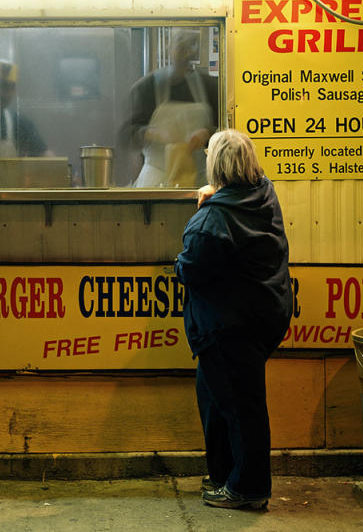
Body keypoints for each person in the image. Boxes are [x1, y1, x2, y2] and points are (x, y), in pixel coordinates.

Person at [174, 129, 293, 510]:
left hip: (230, 326)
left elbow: (189, 269)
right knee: (215, 396)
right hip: (266, 312)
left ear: (215, 166)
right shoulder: (263, 191)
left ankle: (249, 488)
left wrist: (206, 206)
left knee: (242, 407)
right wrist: (218, 193)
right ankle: (225, 472)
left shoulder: (212, 222)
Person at [119, 30, 219, 187]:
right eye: (180, 43)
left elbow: (227, 129)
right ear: (168, 45)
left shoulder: (210, 86)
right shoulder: (147, 87)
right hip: (156, 179)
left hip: (200, 181)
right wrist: (152, 133)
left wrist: (208, 133)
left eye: (191, 44)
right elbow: (125, 134)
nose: (185, 51)